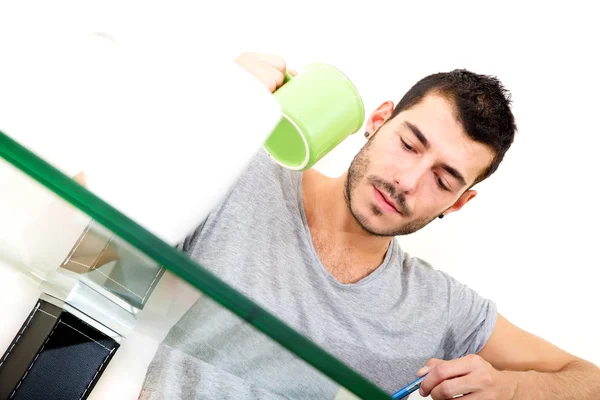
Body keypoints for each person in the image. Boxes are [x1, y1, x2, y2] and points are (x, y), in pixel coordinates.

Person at [139, 52, 600, 399]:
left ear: (458, 204)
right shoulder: (245, 174)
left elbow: (589, 381)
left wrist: (511, 388)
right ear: (379, 120)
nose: (407, 182)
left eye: (443, 180)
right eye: (409, 144)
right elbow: (78, 236)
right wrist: (216, 110)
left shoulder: (440, 307)